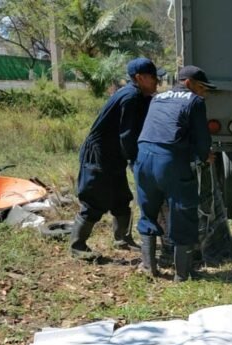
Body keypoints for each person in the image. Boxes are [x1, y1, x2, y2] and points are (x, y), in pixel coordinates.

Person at [69, 58, 160, 259]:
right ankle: (77, 246)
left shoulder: (138, 95)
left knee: (120, 198)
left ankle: (123, 239)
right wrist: (136, 161)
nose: (157, 81)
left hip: (114, 155)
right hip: (99, 155)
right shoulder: (130, 97)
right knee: (94, 199)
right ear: (139, 78)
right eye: (153, 77)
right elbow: (127, 135)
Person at [134, 65, 216, 282]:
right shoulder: (195, 102)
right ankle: (183, 274)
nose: (204, 93)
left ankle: (148, 266)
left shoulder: (157, 98)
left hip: (142, 158)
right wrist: (204, 155)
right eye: (201, 87)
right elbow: (202, 138)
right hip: (169, 162)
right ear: (188, 83)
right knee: (183, 212)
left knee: (148, 210)